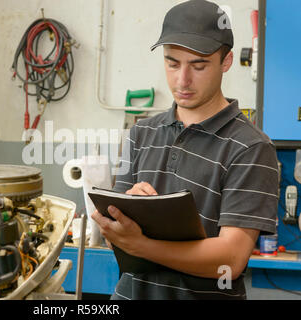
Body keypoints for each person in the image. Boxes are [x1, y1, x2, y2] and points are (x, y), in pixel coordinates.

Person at [91, 0, 278, 300]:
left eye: (199, 65)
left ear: (226, 61)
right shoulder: (141, 133)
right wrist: (127, 218)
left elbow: (230, 259)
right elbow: (116, 239)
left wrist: (142, 244)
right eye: (172, 63)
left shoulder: (252, 147)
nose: (182, 80)